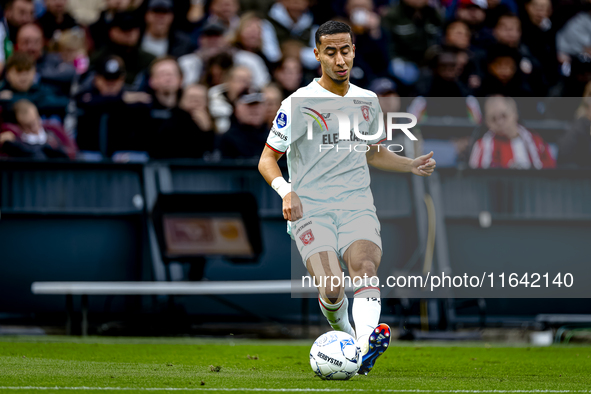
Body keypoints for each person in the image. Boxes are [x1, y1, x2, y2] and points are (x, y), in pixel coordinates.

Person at [258, 21, 436, 375]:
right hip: (311, 208)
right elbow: (266, 159)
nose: (339, 59)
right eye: (331, 52)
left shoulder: (367, 101)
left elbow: (372, 152)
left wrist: (409, 163)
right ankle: (351, 339)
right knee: (333, 286)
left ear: (354, 51)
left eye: (345, 51)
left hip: (356, 204)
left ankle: (365, 346)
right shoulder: (298, 104)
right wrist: (286, 190)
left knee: (366, 269)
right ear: (317, 55)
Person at [469, 96, 555, 169]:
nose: (500, 122)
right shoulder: (482, 146)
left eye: (504, 116)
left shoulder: (537, 142)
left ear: (515, 114)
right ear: (487, 123)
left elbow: (550, 176)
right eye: (493, 119)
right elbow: (476, 180)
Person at [90, 11, 156, 85]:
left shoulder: (149, 60)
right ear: (112, 32)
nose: (130, 33)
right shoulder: (99, 58)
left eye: (134, 28)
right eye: (125, 29)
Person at [151, 83, 215, 159]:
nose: (196, 102)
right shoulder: (171, 122)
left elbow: (215, 153)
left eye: (200, 98)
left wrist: (207, 129)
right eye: (192, 98)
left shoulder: (213, 121)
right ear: (182, 101)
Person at [0, 51, 69, 119]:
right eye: (19, 71)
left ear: (34, 72)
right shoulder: (2, 93)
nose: (23, 76)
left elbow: (61, 103)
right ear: (8, 74)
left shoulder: (41, 89)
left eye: (27, 71)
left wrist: (14, 98)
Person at [0, 99, 76, 159]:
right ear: (19, 125)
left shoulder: (54, 130)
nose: (35, 127)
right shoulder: (16, 140)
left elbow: (72, 152)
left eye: (36, 120)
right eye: (28, 125)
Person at [219, 90, 268, 158]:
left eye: (258, 104)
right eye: (249, 105)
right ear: (236, 109)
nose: (255, 109)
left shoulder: (275, 138)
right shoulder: (227, 140)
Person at [0, 0, 35, 69]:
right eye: (22, 13)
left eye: (31, 13)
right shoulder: (1, 31)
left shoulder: (35, 31)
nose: (27, 18)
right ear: (8, 12)